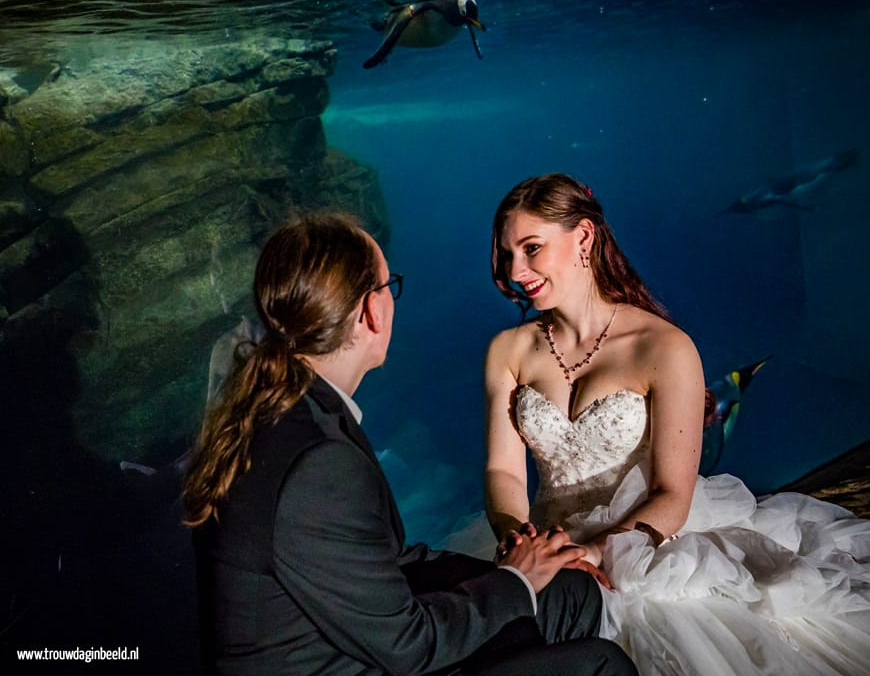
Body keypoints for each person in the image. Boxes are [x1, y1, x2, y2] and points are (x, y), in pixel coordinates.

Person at [181, 213, 637, 676]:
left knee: (568, 596)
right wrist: (516, 580)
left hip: (356, 636)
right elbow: (409, 645)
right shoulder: (319, 461)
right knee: (601, 664)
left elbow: (387, 559)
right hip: (358, 661)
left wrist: (527, 572)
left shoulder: (290, 408)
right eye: (387, 286)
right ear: (369, 312)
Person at [478, 173, 870, 674]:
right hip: (543, 543)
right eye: (507, 254)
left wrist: (595, 554)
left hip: (647, 540)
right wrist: (523, 545)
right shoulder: (507, 350)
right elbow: (503, 474)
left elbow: (672, 493)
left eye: (531, 248)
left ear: (583, 237)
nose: (516, 270)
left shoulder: (665, 347)